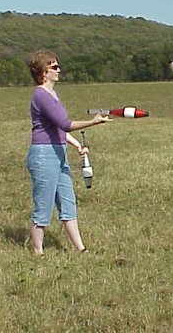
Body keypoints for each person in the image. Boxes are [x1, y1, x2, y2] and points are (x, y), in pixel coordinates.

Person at [26, 50, 111, 256]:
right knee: (44, 206)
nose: (59, 70)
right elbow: (65, 124)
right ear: (43, 72)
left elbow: (57, 129)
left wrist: (76, 146)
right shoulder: (41, 95)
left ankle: (80, 249)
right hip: (43, 155)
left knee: (67, 202)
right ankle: (37, 252)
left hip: (57, 152)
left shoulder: (53, 95)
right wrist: (93, 121)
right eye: (54, 67)